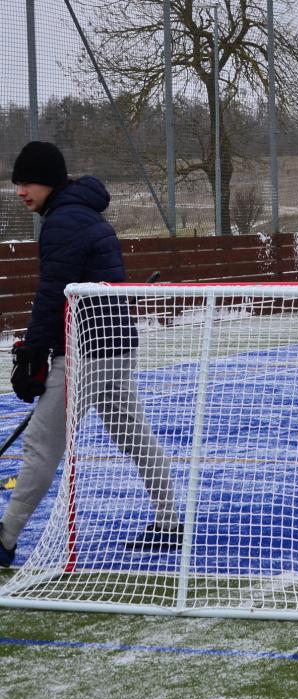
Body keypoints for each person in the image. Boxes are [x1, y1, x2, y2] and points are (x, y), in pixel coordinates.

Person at [2, 141, 181, 567]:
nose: (20, 191)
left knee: (42, 443)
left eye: (28, 183)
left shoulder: (64, 221)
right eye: (17, 183)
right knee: (132, 434)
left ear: (49, 182)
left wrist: (33, 352)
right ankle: (171, 520)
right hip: (114, 346)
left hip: (85, 350)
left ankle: (5, 538)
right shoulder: (82, 213)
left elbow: (54, 294)